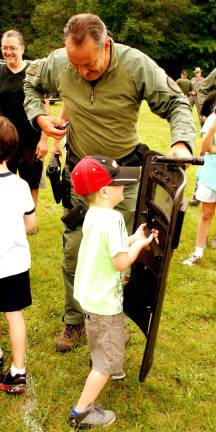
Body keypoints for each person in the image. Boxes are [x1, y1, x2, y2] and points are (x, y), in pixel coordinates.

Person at [24, 13, 195, 353]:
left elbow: (177, 102)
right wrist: (39, 117)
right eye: (75, 66)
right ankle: (74, 320)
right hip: (82, 176)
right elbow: (31, 83)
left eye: (89, 65)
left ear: (106, 45)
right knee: (75, 250)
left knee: (120, 254)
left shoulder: (135, 65)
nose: (81, 73)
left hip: (125, 178)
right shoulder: (61, 63)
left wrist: (182, 143)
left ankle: (113, 317)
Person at [68, 155, 158, 428]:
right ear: (106, 191)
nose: (125, 188)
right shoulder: (115, 218)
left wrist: (134, 238)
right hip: (104, 303)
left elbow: (111, 248)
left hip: (89, 296)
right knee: (104, 361)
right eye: (121, 184)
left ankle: (111, 362)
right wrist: (141, 247)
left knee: (105, 337)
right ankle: (82, 412)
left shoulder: (95, 214)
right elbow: (120, 262)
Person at [0, 115, 36, 394]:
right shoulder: (21, 186)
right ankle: (18, 371)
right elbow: (31, 224)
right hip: (14, 264)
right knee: (14, 314)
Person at [0, 29, 48, 213]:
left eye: (12, 47)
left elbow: (44, 107)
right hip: (5, 139)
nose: (8, 51)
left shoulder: (33, 72)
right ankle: (9, 216)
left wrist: (44, 140)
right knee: (5, 179)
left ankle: (30, 219)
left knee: (31, 180)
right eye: (4, 47)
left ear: (22, 48)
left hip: (31, 137)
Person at [183, 91, 216, 266]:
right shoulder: (212, 119)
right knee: (206, 213)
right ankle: (198, 252)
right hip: (212, 172)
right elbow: (205, 146)